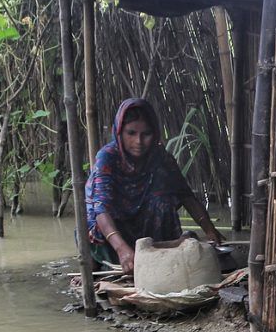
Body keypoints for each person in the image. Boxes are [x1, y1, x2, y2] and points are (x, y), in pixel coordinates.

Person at [85, 97, 225, 274]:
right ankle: (106, 261)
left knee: (163, 201)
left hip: (144, 223)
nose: (139, 141)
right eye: (131, 133)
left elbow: (185, 195)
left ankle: (158, 255)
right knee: (97, 222)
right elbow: (101, 208)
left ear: (155, 133)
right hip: (110, 224)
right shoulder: (107, 157)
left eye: (146, 134)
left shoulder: (160, 158)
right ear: (119, 132)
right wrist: (122, 249)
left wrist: (210, 231)